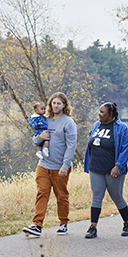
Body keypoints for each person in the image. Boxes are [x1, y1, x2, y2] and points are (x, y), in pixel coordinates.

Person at [23, 92, 77, 237]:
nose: (56, 105)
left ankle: (63, 223)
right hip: (43, 165)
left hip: (59, 167)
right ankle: (37, 225)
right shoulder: (45, 120)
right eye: (53, 103)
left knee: (61, 196)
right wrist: (40, 137)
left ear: (64, 105)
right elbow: (35, 141)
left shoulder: (68, 123)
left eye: (59, 103)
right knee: (42, 194)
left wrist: (65, 165)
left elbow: (71, 146)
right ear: (50, 104)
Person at [83, 102, 128, 239]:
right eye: (99, 111)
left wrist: (118, 166)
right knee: (97, 197)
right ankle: (93, 227)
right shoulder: (96, 125)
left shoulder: (122, 128)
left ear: (110, 114)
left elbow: (126, 149)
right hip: (96, 168)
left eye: (102, 112)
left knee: (117, 196)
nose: (99, 114)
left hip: (113, 170)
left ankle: (127, 224)